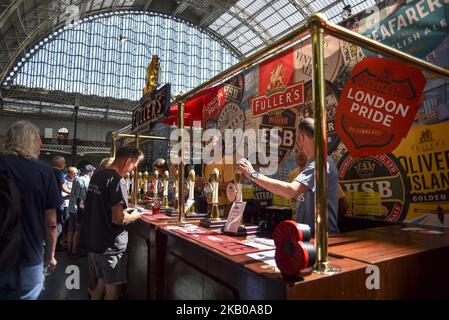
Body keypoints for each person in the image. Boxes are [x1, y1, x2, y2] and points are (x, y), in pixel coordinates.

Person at [238, 118, 340, 235]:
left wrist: (253, 174)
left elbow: (290, 191)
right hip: (308, 237)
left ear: (301, 137)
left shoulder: (320, 162)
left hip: (322, 241)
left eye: (296, 136)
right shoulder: (313, 162)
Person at [0, 120, 61, 300]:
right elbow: (51, 222)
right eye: (38, 143)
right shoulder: (44, 171)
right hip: (30, 256)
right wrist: (50, 255)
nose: (40, 148)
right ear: (29, 141)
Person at [79, 146, 143, 300]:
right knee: (112, 290)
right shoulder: (117, 180)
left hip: (96, 243)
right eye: (135, 164)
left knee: (100, 287)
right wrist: (135, 215)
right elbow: (118, 218)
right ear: (128, 161)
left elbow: (100, 206)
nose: (134, 169)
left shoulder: (98, 175)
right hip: (110, 246)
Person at [67, 163, 95, 257]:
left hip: (71, 207)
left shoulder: (76, 178)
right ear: (90, 172)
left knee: (71, 229)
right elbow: (85, 197)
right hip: (79, 209)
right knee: (78, 230)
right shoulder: (87, 181)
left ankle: (69, 248)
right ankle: (74, 251)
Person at [52, 156, 71, 239]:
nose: (65, 164)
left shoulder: (47, 171)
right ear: (59, 163)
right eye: (64, 163)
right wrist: (74, 193)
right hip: (56, 201)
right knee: (58, 223)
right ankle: (56, 244)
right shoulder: (59, 173)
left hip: (46, 200)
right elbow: (64, 188)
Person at [59, 166, 78, 250]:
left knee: (70, 223)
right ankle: (63, 240)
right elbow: (64, 191)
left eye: (77, 173)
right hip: (66, 204)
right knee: (65, 223)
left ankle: (67, 240)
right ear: (70, 173)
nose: (76, 174)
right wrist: (74, 193)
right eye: (75, 173)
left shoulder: (77, 179)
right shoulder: (64, 179)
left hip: (73, 205)